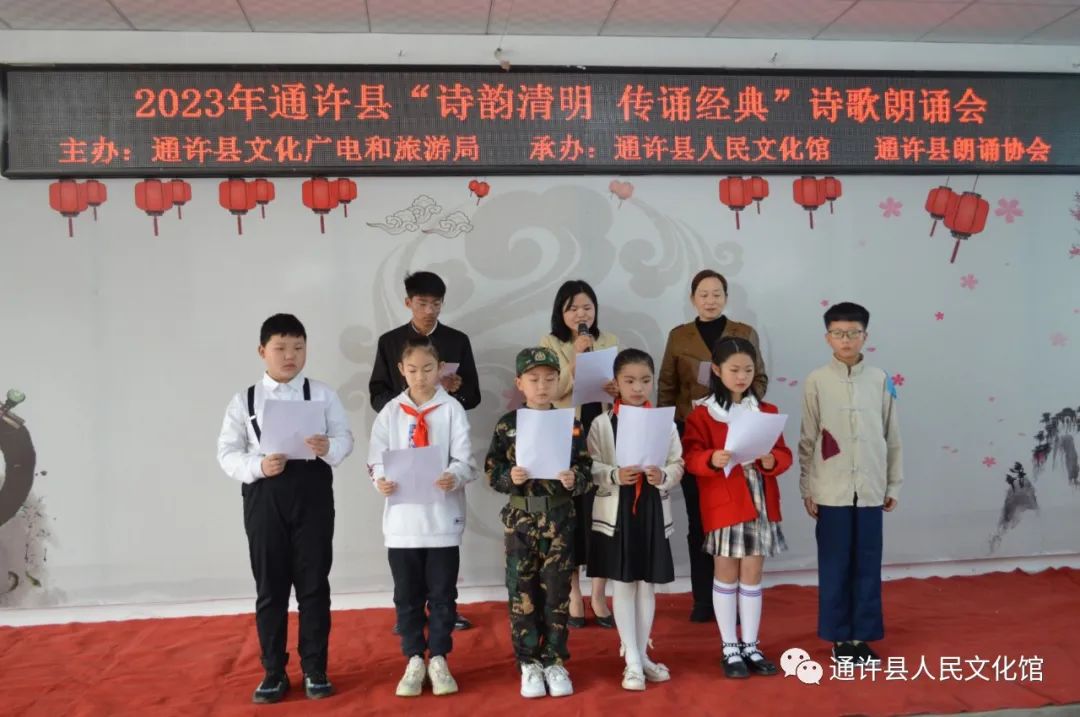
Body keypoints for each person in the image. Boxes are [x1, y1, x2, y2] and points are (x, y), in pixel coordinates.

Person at [216, 313, 354, 703]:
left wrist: (329, 447)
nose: (290, 356)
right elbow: (226, 453)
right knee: (270, 588)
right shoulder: (243, 400)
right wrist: (259, 466)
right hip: (265, 496)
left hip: (313, 495)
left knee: (314, 585)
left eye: (298, 347)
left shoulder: (323, 394)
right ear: (262, 351)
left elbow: (345, 438)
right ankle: (273, 671)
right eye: (280, 348)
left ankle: (315, 668)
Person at [369, 270, 479, 632]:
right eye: (422, 303)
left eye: (436, 303)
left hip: (442, 444)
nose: (429, 310)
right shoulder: (390, 342)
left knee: (442, 541)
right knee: (407, 545)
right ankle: (410, 614)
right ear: (408, 303)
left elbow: (473, 396)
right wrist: (409, 404)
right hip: (403, 443)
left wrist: (451, 391)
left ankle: (445, 609)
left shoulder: (457, 340)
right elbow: (377, 393)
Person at [658, 269, 768, 622]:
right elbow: (667, 388)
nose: (710, 300)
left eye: (717, 293)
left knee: (734, 519)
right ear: (693, 299)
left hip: (738, 437)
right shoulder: (679, 336)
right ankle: (704, 599)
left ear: (726, 297)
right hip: (695, 437)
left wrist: (738, 407)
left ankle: (735, 596)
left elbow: (759, 378)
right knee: (700, 520)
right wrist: (673, 428)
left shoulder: (743, 333)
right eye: (703, 294)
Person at [368, 338, 476, 697]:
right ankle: (414, 657)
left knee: (443, 594)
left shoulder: (451, 410)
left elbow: (465, 459)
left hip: (442, 519)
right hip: (402, 523)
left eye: (428, 369)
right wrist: (380, 480)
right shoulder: (390, 412)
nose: (420, 377)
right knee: (407, 595)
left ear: (440, 368)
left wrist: (453, 476)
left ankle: (440, 657)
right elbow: (376, 459)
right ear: (401, 370)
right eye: (412, 370)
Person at [485, 347, 592, 698]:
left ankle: (555, 661)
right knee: (522, 592)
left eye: (549, 378)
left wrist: (575, 479)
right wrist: (509, 476)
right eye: (534, 379)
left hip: (559, 519)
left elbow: (587, 468)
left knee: (557, 593)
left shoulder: (570, 423)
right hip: (521, 520)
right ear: (520, 383)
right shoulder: (508, 425)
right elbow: (492, 471)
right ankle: (529, 663)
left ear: (559, 381)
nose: (542, 386)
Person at [799, 302, 902, 665]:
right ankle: (840, 638)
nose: (846, 340)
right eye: (839, 333)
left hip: (871, 487)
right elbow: (808, 438)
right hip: (831, 488)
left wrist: (893, 484)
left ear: (865, 336)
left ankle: (861, 637)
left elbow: (892, 435)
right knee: (835, 564)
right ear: (828, 337)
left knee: (868, 563)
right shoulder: (816, 380)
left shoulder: (880, 379)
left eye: (853, 333)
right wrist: (807, 488)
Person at [682, 337, 792, 678]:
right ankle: (730, 646)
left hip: (759, 499)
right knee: (726, 573)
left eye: (748, 369)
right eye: (734, 370)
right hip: (724, 500)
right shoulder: (703, 413)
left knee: (753, 574)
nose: (742, 376)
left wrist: (772, 460)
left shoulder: (766, 411)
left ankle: (751, 645)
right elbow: (690, 457)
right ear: (717, 370)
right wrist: (710, 458)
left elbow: (783, 454)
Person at [585, 348, 684, 690]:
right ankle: (631, 661)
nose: (638, 387)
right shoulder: (602, 423)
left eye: (645, 380)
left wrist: (663, 475)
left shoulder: (664, 422)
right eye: (629, 381)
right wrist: (614, 474)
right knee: (624, 582)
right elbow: (590, 467)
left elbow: (678, 463)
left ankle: (642, 655)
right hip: (618, 509)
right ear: (615, 383)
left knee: (647, 584)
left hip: (651, 507)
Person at [539, 279, 618, 628]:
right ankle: (574, 595)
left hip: (601, 431)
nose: (581, 314)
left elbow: (621, 386)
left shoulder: (609, 340)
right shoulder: (550, 344)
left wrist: (616, 387)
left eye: (587, 307)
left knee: (601, 512)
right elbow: (551, 391)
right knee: (570, 515)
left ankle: (599, 594)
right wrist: (576, 360)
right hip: (566, 434)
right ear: (561, 312)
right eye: (573, 308)